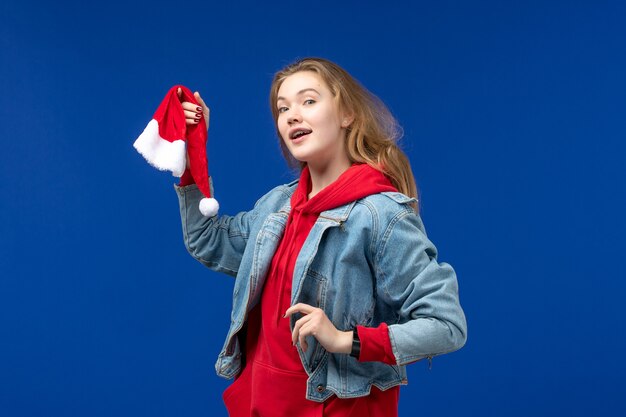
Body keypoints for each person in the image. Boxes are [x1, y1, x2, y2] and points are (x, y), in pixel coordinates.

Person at [173, 57, 467, 417]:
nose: (292, 115)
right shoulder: (278, 205)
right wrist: (192, 156)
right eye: (283, 109)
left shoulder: (381, 215)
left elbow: (446, 325)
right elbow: (208, 240)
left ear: (347, 114)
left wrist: (348, 340)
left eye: (308, 101)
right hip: (260, 405)